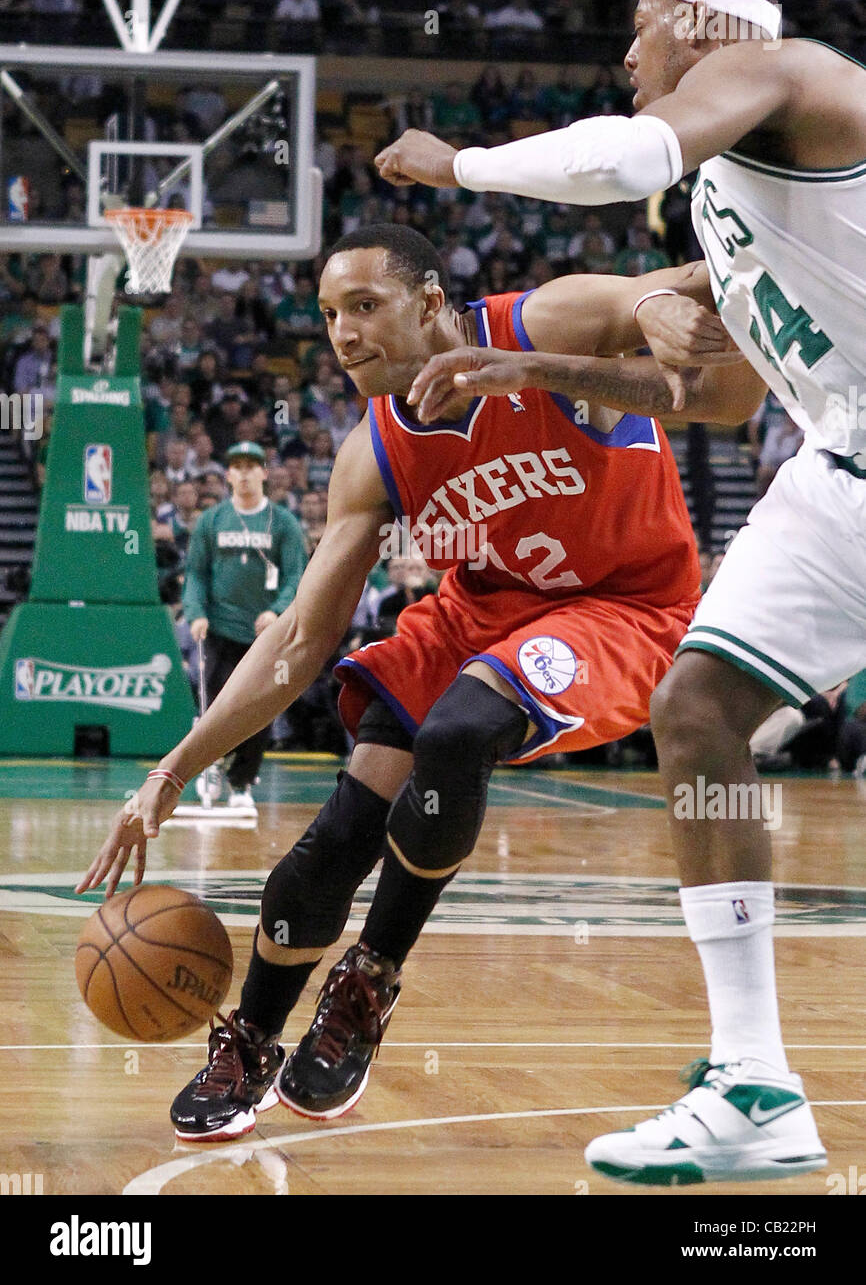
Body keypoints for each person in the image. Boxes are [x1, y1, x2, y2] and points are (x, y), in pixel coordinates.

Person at [78, 224, 763, 1144]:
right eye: (329, 316)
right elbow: (295, 647)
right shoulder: (374, 452)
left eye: (366, 306)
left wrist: (661, 303)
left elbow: (671, 282)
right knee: (339, 837)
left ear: (434, 300)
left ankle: (369, 981)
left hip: (624, 607)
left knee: (457, 728)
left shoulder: (536, 321)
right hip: (477, 611)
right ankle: (252, 1037)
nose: (345, 333)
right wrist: (170, 770)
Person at [373, 0, 866, 1186]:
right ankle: (752, 1082)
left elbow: (626, 153)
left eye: (641, 30)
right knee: (695, 709)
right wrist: (529, 369)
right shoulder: (727, 202)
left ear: (703, 27)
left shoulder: (789, 74)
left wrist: (462, 163)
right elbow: (704, 398)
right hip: (840, 460)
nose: (625, 55)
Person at [181, 441, 307, 812]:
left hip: (264, 636)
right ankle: (209, 766)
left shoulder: (283, 522)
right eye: (238, 466)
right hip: (218, 629)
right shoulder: (211, 520)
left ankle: (242, 783)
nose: (246, 473)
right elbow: (196, 574)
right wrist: (195, 612)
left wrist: (277, 611)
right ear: (228, 475)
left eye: (253, 466)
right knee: (213, 708)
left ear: (264, 473)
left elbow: (296, 576)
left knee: (259, 709)